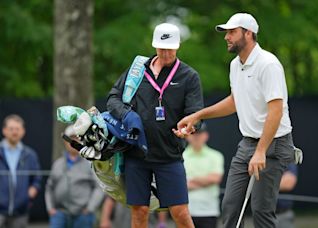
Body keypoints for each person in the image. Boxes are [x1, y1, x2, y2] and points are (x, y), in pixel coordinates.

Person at [174, 13, 295, 228]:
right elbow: (234, 101)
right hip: (248, 143)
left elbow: (275, 111)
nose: (226, 37)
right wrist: (198, 115)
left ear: (248, 34)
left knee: (261, 210)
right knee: (230, 207)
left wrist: (260, 151)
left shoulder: (268, 64)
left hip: (273, 143)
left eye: (232, 32)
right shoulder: (235, 65)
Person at [107, 22, 203, 228]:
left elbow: (195, 113)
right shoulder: (137, 70)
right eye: (161, 48)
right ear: (154, 46)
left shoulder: (189, 76)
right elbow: (113, 98)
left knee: (180, 212)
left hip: (169, 155)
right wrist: (127, 116)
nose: (165, 53)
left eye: (169, 49)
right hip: (136, 154)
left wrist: (190, 127)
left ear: (177, 47)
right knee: (139, 212)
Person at [45, 134, 104, 228]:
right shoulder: (58, 163)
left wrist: (90, 208)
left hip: (83, 215)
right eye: (70, 139)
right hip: (59, 214)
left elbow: (99, 187)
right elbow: (49, 187)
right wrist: (50, 208)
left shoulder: (90, 164)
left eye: (77, 139)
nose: (73, 142)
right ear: (65, 142)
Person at [0, 114, 41, 228]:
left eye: (17, 129)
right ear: (4, 131)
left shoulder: (30, 155)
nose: (14, 132)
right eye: (11, 129)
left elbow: (37, 179)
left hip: (21, 212)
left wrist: (30, 194)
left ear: (23, 131)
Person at [183, 123, 224, 228]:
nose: (197, 137)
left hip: (209, 211)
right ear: (187, 136)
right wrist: (206, 181)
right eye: (193, 134)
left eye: (199, 133)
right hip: (185, 212)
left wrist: (191, 181)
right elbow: (179, 184)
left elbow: (216, 178)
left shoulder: (216, 156)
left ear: (206, 136)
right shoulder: (180, 157)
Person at [276, 163, 298, 228]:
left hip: (283, 215)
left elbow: (288, 183)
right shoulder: (257, 157)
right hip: (261, 215)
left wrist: (264, 183)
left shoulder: (286, 156)